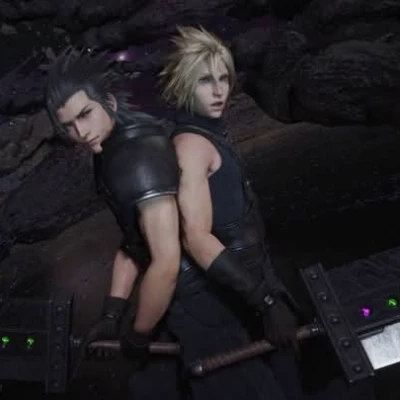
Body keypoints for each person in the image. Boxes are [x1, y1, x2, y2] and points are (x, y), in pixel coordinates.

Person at [45, 45, 294, 400]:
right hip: (184, 302)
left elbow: (166, 264)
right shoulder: (111, 150)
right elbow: (136, 240)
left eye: (85, 115)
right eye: (69, 125)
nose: (81, 132)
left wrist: (137, 333)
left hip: (200, 305)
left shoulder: (135, 160)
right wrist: (113, 313)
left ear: (109, 103)